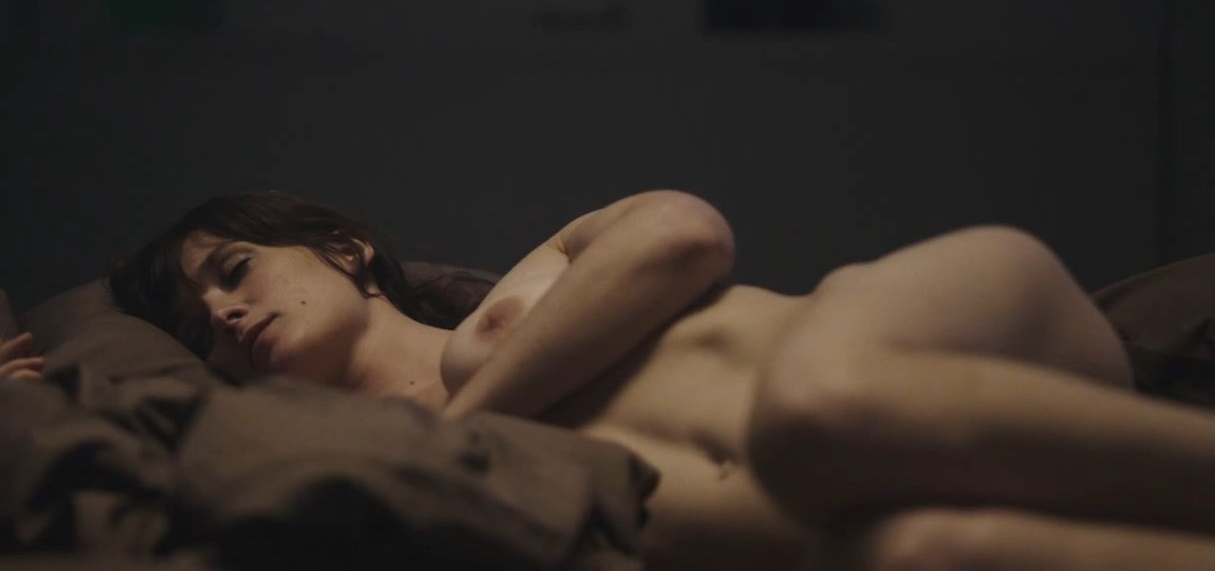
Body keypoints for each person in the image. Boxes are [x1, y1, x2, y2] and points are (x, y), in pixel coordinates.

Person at [108, 189, 1215, 570]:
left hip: (953, 342)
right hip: (888, 505)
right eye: (201, 328)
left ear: (345, 250)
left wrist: (457, 422)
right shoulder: (388, 489)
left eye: (234, 271)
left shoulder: (494, 323)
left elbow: (683, 235)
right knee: (925, 556)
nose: (225, 316)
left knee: (813, 410)